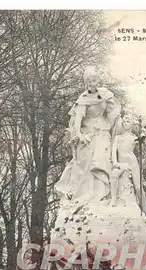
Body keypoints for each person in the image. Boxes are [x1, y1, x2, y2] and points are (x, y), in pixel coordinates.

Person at [55, 66, 121, 204]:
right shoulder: (83, 99)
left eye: (95, 78)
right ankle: (90, 196)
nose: (93, 82)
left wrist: (116, 124)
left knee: (104, 160)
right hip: (89, 135)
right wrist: (80, 135)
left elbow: (112, 113)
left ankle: (103, 195)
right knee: (89, 164)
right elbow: (77, 123)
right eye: (90, 79)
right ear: (86, 82)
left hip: (103, 133)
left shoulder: (105, 94)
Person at [110, 113, 146, 217]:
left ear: (132, 124)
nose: (125, 123)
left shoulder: (135, 138)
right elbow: (113, 151)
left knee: (138, 188)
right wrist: (115, 162)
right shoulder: (118, 137)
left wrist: (144, 141)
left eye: (128, 121)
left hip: (133, 163)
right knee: (114, 175)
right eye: (124, 121)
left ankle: (145, 209)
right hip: (122, 163)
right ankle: (113, 199)